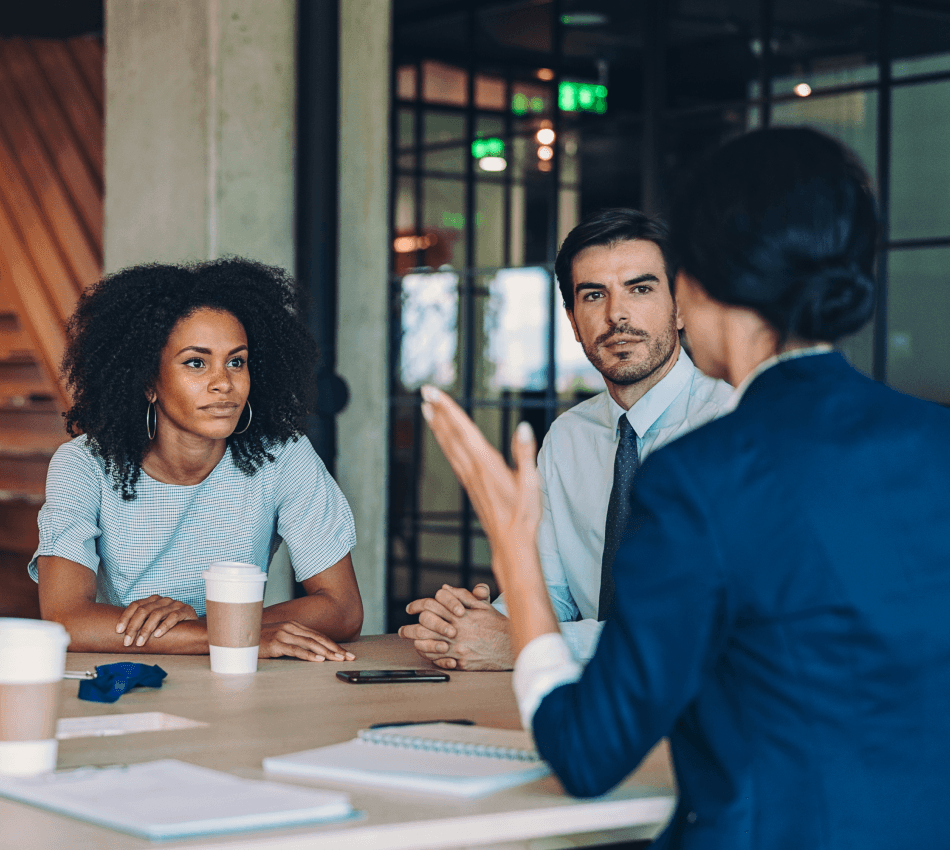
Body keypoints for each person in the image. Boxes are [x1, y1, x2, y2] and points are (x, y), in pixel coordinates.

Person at [420, 127, 950, 849]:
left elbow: (585, 754)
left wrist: (512, 543)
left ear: (691, 290)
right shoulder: (935, 441)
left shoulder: (702, 474)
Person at [398, 210, 731, 669]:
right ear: (573, 322)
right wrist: (474, 623)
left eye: (640, 288)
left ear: (681, 308)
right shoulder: (569, 437)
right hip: (585, 703)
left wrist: (521, 642)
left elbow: (702, 625)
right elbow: (550, 594)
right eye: (594, 295)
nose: (617, 315)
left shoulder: (733, 428)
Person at [31, 258, 363, 661]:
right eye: (196, 362)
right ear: (149, 382)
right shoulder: (83, 466)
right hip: (129, 681)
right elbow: (65, 619)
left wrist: (210, 630)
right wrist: (227, 636)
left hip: (234, 681)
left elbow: (342, 607)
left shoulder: (282, 456)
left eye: (236, 362)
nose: (223, 382)